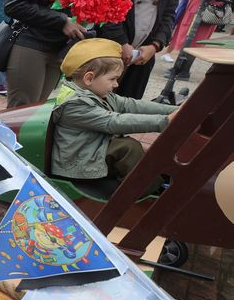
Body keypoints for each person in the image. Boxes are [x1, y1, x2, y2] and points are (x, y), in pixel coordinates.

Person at [51, 39, 175, 190]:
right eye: (113, 79)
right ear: (89, 78)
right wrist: (165, 121)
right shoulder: (74, 104)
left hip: (91, 149)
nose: (116, 84)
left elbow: (130, 104)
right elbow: (114, 122)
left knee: (138, 149)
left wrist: (173, 111)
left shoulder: (97, 93)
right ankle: (152, 191)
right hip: (78, 164)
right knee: (129, 148)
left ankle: (155, 183)